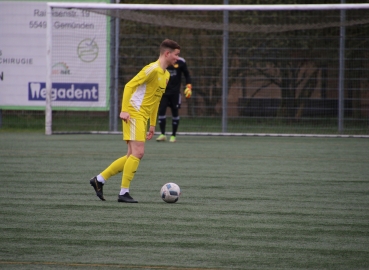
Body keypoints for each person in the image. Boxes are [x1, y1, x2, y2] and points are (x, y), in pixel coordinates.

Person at [90, 39, 181, 203]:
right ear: (167, 53)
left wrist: (152, 124)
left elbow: (156, 101)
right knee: (138, 153)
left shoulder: (166, 75)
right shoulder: (151, 69)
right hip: (133, 113)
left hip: (143, 117)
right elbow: (129, 86)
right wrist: (124, 109)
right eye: (176, 55)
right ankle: (123, 193)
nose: (178, 58)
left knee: (132, 155)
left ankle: (99, 180)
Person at [155, 56, 192, 143]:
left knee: (175, 112)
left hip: (175, 93)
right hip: (163, 92)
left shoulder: (181, 62)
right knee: (161, 111)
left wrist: (189, 86)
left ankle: (173, 135)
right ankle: (162, 134)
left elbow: (187, 74)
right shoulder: (161, 61)